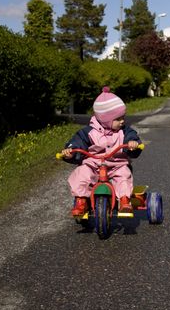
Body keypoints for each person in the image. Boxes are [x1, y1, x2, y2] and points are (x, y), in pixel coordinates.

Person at [61, 86, 142, 216]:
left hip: (117, 165)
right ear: (105, 119)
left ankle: (124, 200)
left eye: (123, 117)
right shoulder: (88, 132)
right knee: (82, 173)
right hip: (94, 165)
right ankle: (81, 201)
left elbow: (132, 137)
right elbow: (77, 142)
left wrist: (133, 144)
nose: (122, 121)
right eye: (118, 119)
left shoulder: (124, 131)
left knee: (124, 176)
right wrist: (70, 151)